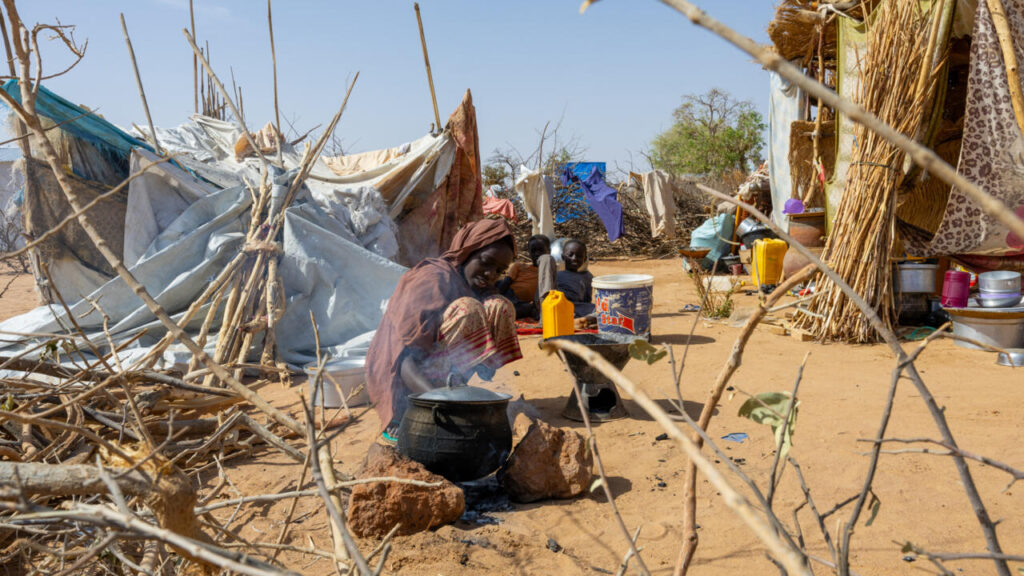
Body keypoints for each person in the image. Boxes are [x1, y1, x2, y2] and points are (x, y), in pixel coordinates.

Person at [366, 219, 523, 442]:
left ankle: (454, 389)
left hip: (439, 373)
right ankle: (405, 413)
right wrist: (441, 404)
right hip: (399, 375)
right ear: (467, 251)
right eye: (486, 262)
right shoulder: (432, 279)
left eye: (499, 271)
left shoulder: (476, 286)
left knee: (500, 306)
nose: (490, 275)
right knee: (468, 309)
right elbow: (402, 360)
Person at [496, 234, 554, 319]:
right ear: (529, 252)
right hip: (509, 294)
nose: (537, 254)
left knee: (525, 308)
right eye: (533, 251)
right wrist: (495, 297)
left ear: (549, 251)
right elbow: (505, 283)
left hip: (523, 303)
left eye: (541, 250)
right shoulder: (519, 266)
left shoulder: (550, 272)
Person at [557, 238, 596, 317]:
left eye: (579, 256)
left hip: (577, 307)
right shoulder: (556, 275)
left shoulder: (587, 277)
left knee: (597, 309)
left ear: (584, 259)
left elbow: (586, 300)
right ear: (563, 256)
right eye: (570, 255)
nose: (574, 258)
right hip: (558, 306)